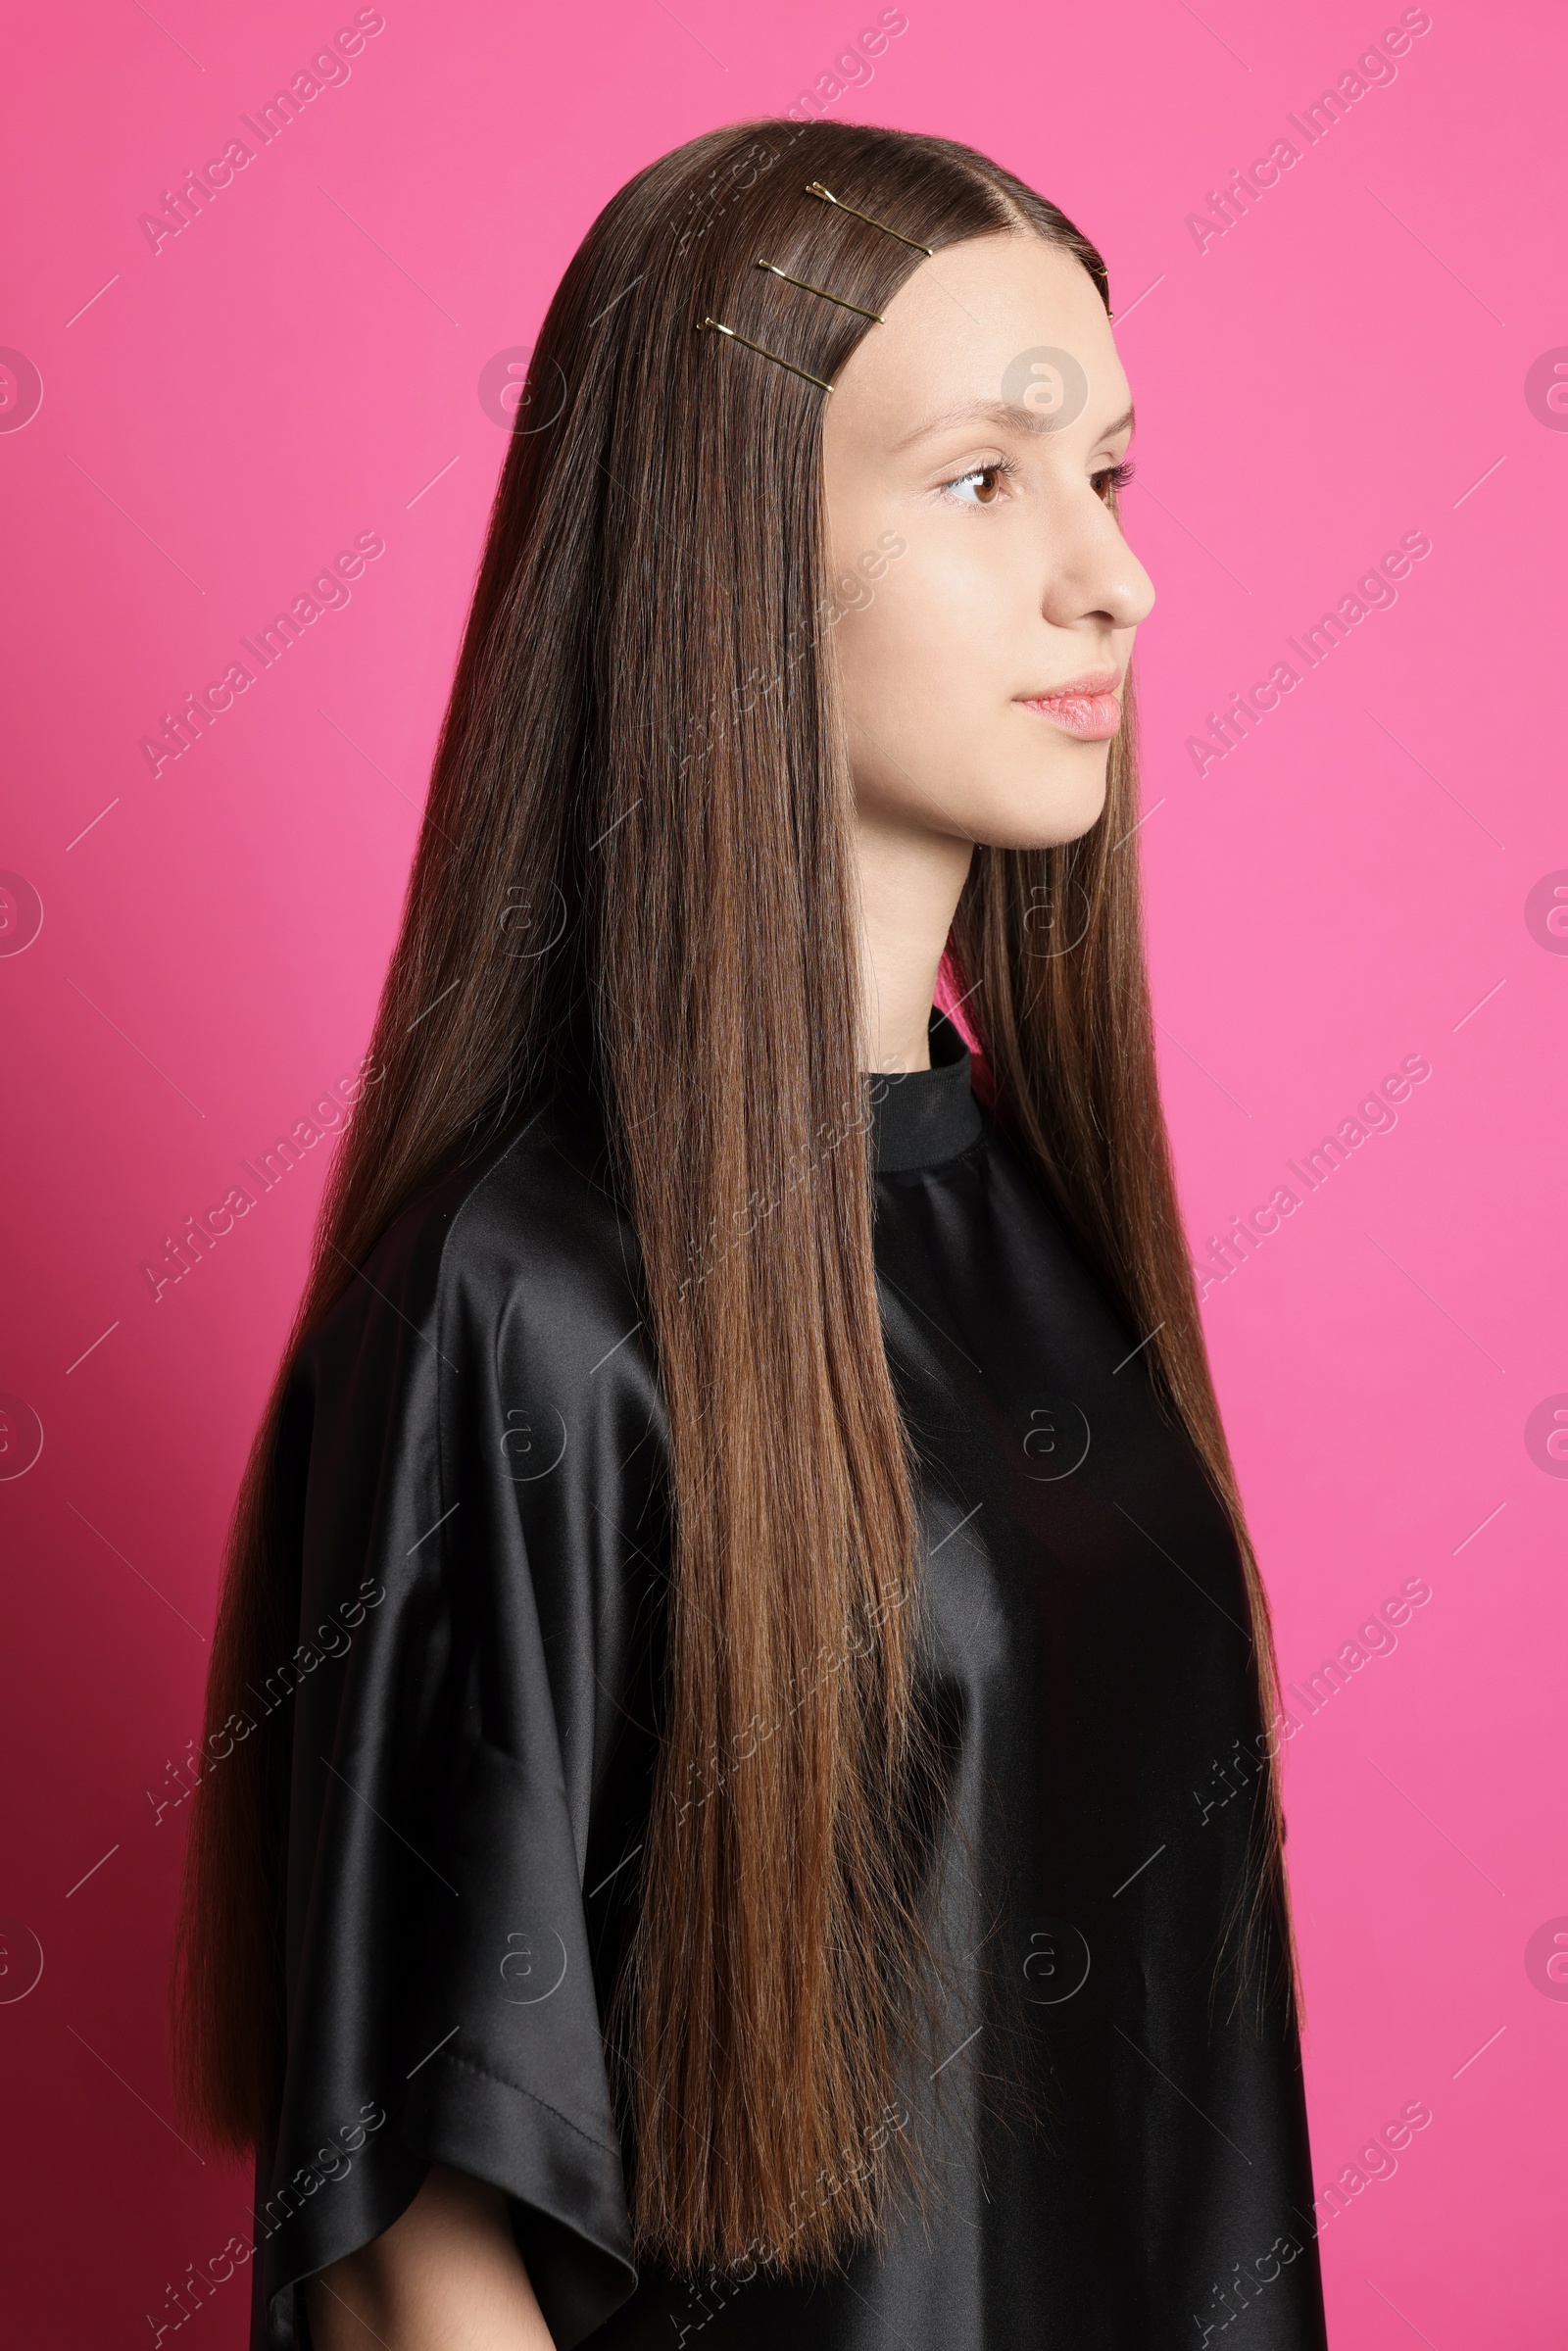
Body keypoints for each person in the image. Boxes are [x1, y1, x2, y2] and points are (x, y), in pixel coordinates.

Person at [173, 118, 1330, 2350]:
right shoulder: (515, 1313)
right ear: (729, 554)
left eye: (1109, 472)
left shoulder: (1041, 1237)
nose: (1112, 579)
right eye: (987, 480)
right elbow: (426, 2258)